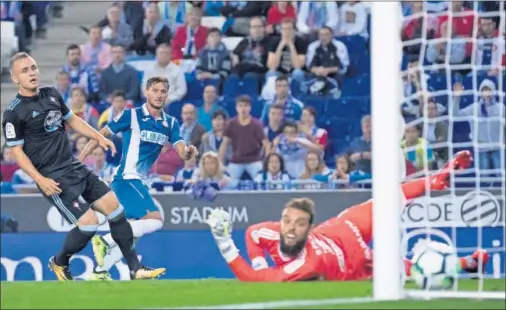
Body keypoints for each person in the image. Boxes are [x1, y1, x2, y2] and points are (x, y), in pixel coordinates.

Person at [206, 151, 489, 281]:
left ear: (309, 228)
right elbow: (253, 270)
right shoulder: (304, 266)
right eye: (287, 222)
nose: (290, 229)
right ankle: (467, 264)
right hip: (353, 261)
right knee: (409, 269)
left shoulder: (286, 237)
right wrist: (227, 245)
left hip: (340, 229)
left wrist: (252, 261)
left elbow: (252, 236)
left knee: (387, 199)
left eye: (299, 224)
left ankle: (437, 180)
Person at [2, 52, 163, 281]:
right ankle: (60, 262)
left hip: (74, 166)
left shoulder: (51, 94)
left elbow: (72, 120)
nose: (32, 73)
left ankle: (135, 268)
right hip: (53, 177)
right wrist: (40, 180)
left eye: (34, 67)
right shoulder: (13, 112)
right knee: (90, 224)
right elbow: (17, 151)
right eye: (25, 70)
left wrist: (99, 136)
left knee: (116, 210)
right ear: (15, 78)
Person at [79, 76, 199, 280]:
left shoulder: (170, 123)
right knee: (155, 220)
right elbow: (101, 134)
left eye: (163, 91)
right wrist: (80, 159)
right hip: (127, 177)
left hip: (138, 181)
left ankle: (100, 271)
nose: (159, 95)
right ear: (146, 92)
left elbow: (181, 151)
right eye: (156, 90)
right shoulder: (131, 115)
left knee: (134, 234)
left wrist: (189, 152)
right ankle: (106, 241)